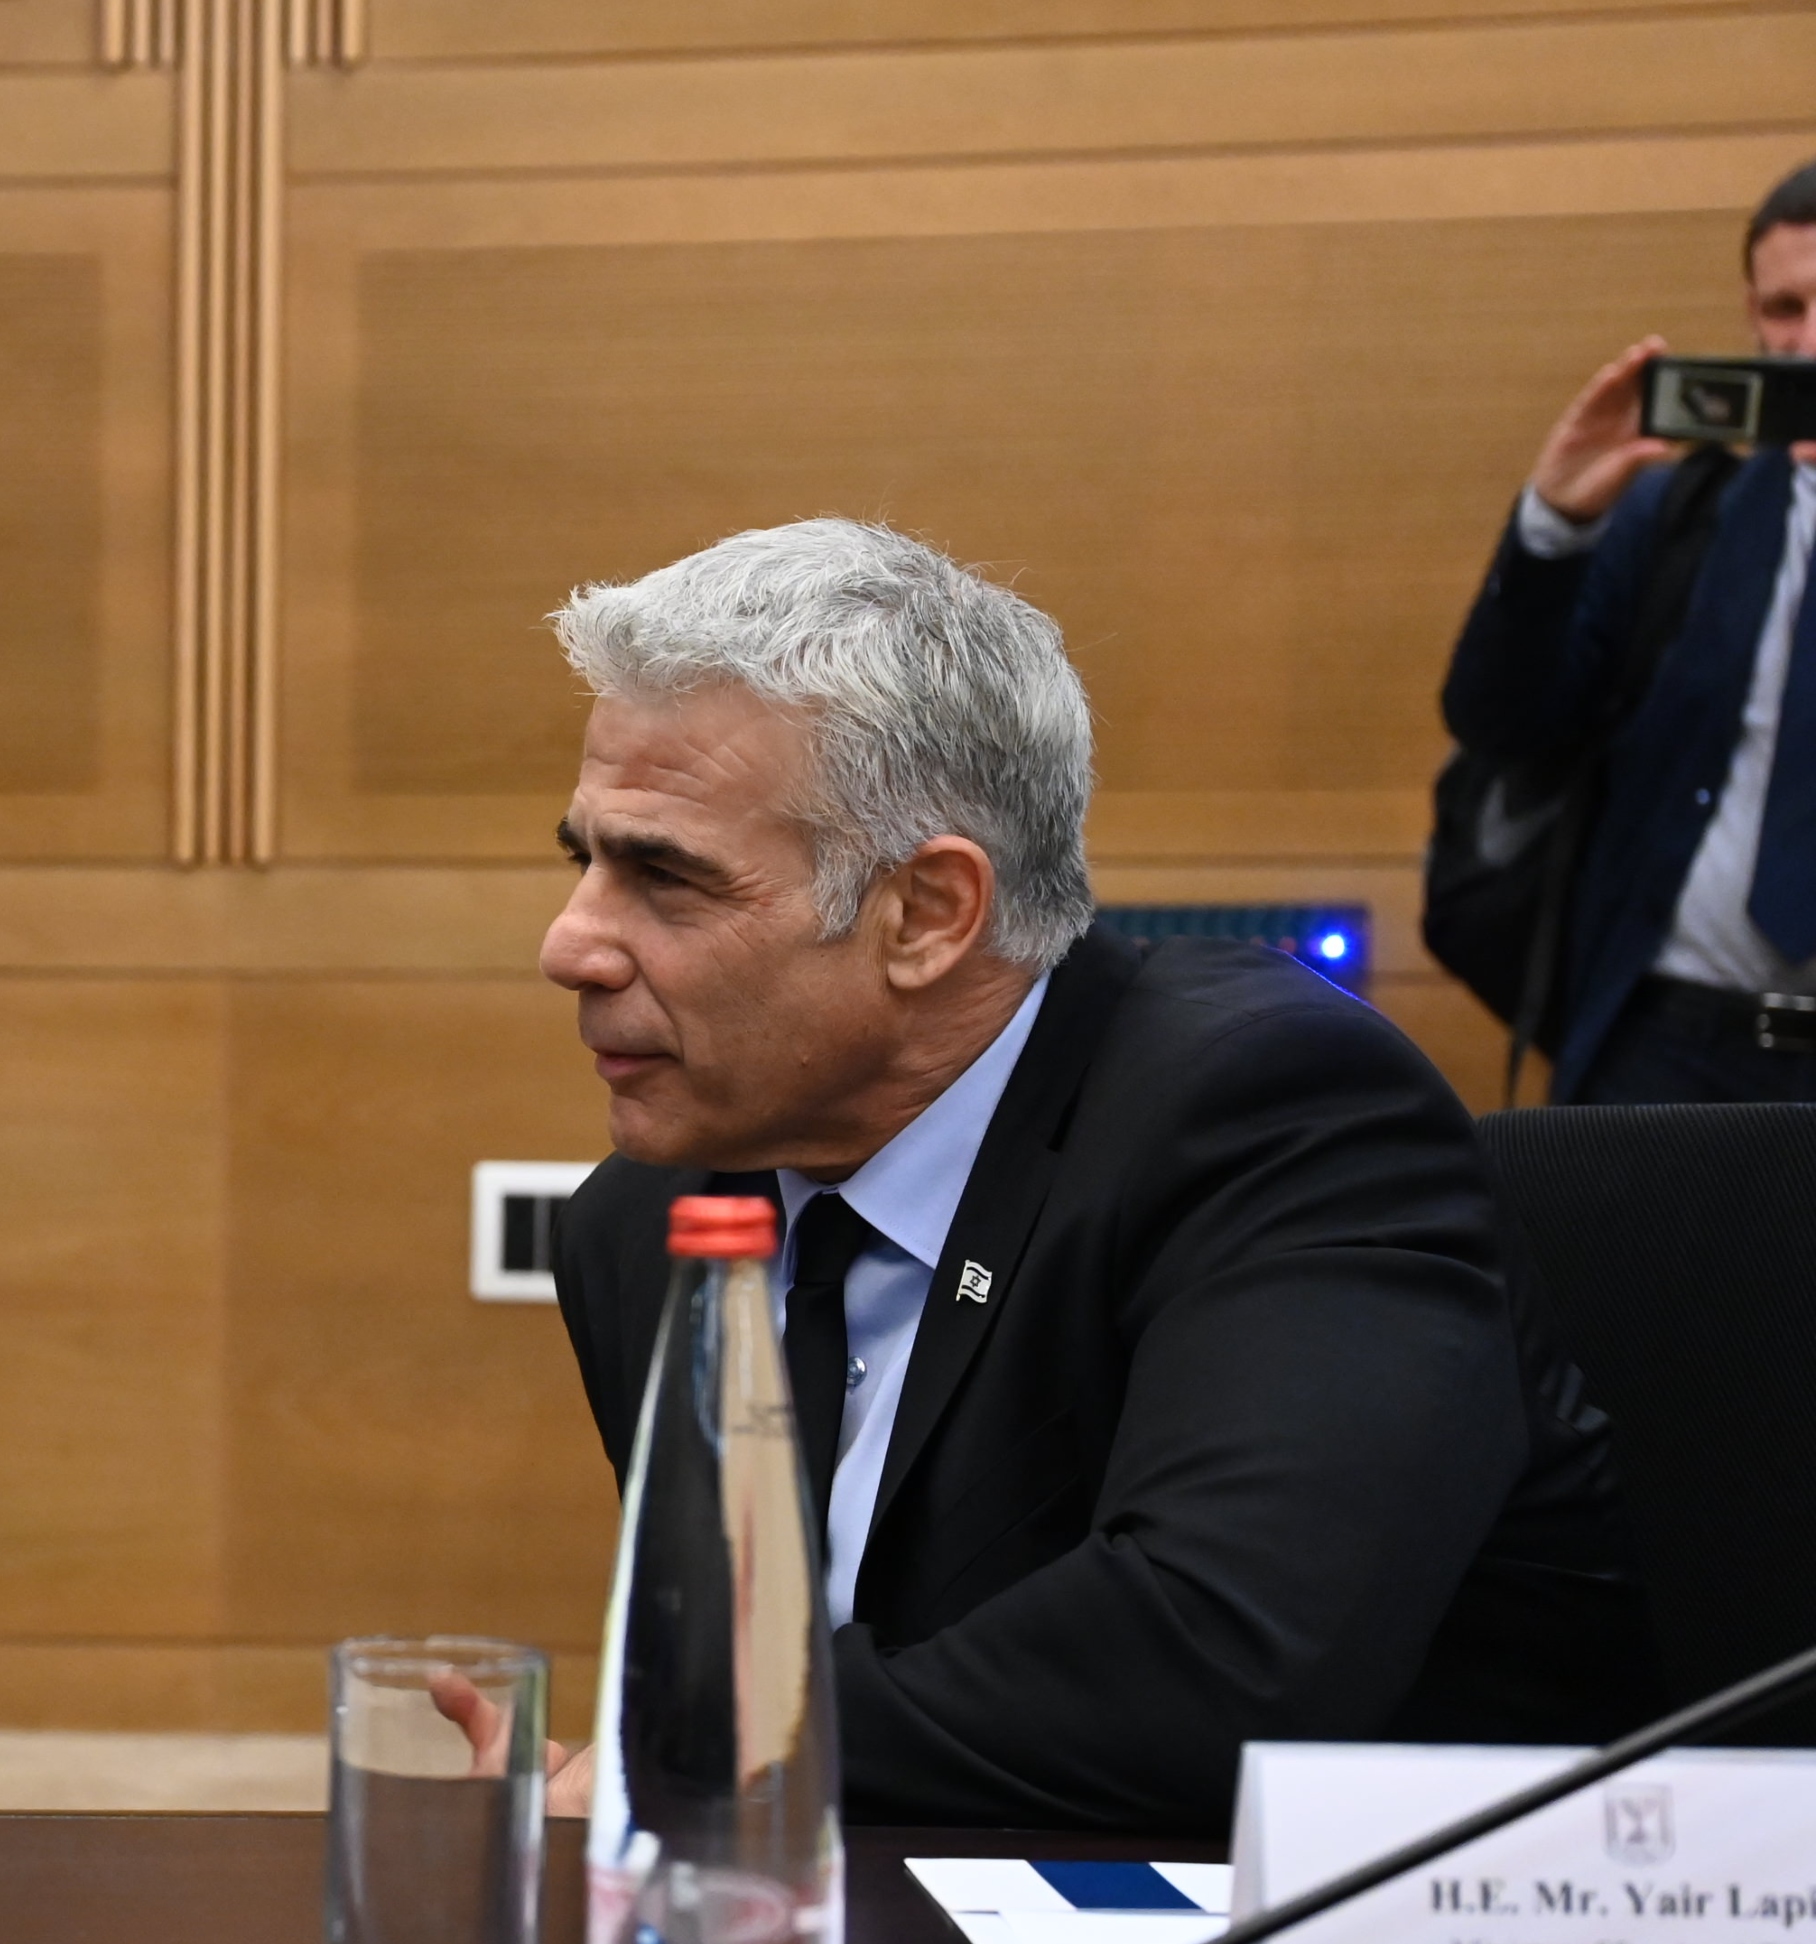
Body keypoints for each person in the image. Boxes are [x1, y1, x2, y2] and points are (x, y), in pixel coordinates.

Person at [522, 521, 1641, 1833]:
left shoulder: (1273, 1116)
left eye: (665, 877)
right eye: (585, 861)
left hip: (1403, 1926)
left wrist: (693, 1752)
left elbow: (1219, 1663)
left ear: (927, 915)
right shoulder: (642, 1227)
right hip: (904, 1923)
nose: (570, 945)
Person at [1443, 159, 1816, 1103]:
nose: (1810, 341)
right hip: (1669, 1042)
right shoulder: (1688, 515)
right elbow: (1498, 720)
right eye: (1786, 308)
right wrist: (1555, 526)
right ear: (1753, 317)